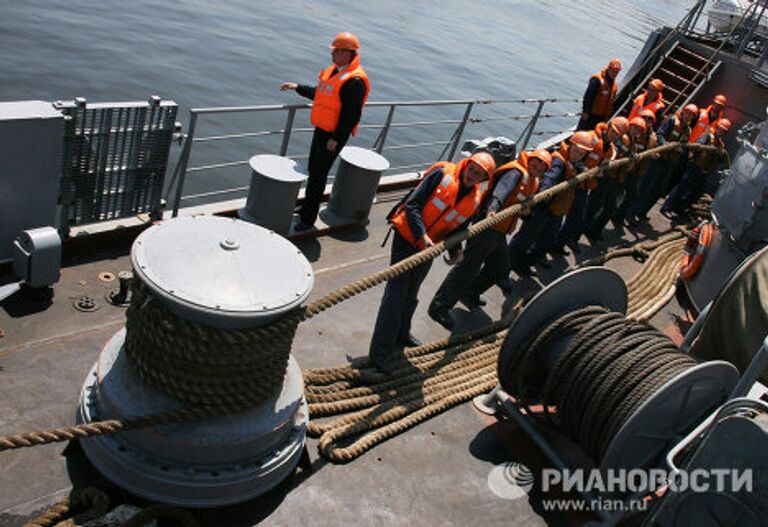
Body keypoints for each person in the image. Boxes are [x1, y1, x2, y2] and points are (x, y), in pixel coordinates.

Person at [368, 152, 495, 373]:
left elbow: (458, 228)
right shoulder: (441, 174)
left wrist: (457, 250)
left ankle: (401, 334)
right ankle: (379, 355)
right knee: (395, 295)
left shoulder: (474, 199)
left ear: (483, 179)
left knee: (411, 292)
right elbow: (412, 205)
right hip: (407, 237)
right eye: (472, 168)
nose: (472, 175)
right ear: (467, 164)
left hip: (428, 247)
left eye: (479, 174)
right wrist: (422, 236)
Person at [427, 149, 551, 329]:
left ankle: (470, 293)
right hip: (487, 224)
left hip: (499, 231)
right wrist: (492, 209)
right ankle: (439, 307)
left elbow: (524, 208)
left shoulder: (533, 181)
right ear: (530, 160)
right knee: (467, 267)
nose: (537, 171)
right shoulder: (515, 173)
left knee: (499, 267)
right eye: (535, 165)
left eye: (541, 170)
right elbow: (500, 193)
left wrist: (527, 213)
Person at [280, 32, 370, 231]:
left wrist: (336, 139)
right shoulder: (335, 71)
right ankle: (306, 207)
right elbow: (321, 94)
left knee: (319, 175)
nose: (333, 54)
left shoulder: (355, 81)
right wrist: (297, 87)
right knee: (313, 171)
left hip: (332, 136)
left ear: (348, 53)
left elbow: (351, 116)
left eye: (337, 51)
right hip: (321, 130)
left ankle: (307, 219)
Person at [507, 131, 594, 276]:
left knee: (548, 240)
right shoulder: (559, 161)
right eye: (576, 151)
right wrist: (544, 191)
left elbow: (574, 168)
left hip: (556, 211)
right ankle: (504, 270)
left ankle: (523, 264)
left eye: (581, 153)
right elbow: (550, 177)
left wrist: (583, 170)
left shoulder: (574, 163)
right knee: (524, 240)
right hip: (543, 208)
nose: (577, 155)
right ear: (570, 146)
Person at [628, 103, 699, 224]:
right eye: (687, 113)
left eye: (691, 115)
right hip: (658, 159)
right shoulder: (672, 121)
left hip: (670, 163)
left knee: (658, 189)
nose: (688, 116)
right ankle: (631, 214)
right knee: (645, 187)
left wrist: (683, 151)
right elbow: (660, 133)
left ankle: (643, 212)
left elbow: (684, 144)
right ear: (683, 112)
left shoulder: (687, 129)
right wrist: (664, 144)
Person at [584, 118, 646, 239]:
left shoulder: (632, 143)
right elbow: (616, 147)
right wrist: (629, 155)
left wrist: (632, 158)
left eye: (639, 130)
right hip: (607, 176)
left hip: (617, 179)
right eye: (635, 127)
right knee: (594, 203)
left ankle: (594, 230)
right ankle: (584, 228)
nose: (636, 131)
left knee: (610, 207)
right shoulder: (620, 139)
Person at [662, 118, 731, 217]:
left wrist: (719, 153)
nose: (721, 132)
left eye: (723, 131)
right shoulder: (707, 136)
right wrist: (702, 148)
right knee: (682, 188)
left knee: (695, 193)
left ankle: (680, 208)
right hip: (695, 167)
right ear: (716, 128)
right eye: (720, 129)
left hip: (705, 172)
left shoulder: (721, 145)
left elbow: (720, 161)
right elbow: (697, 146)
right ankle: (667, 207)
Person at [577, 59, 622, 131]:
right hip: (590, 115)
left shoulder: (614, 85)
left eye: (617, 72)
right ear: (609, 68)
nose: (615, 74)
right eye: (613, 71)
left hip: (601, 118)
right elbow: (588, 97)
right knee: (582, 133)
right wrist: (585, 112)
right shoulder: (597, 80)